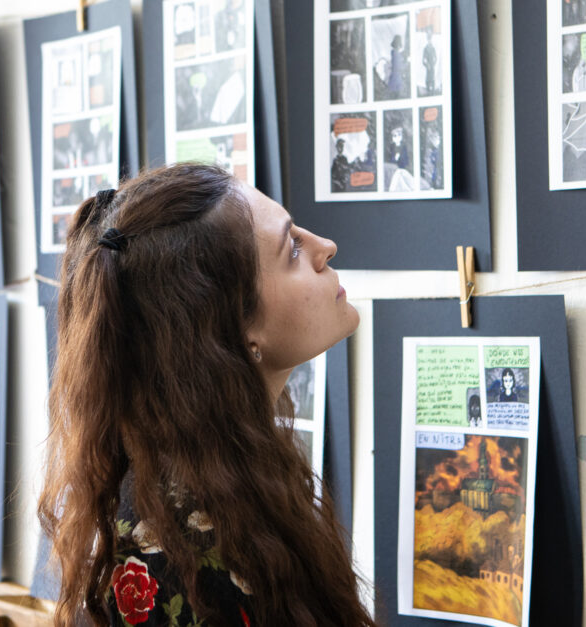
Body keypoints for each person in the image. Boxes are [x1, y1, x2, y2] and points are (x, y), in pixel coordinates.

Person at [37, 164, 376, 627]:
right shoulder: (174, 560)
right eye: (292, 248)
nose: (325, 246)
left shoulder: (233, 481)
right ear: (232, 326)